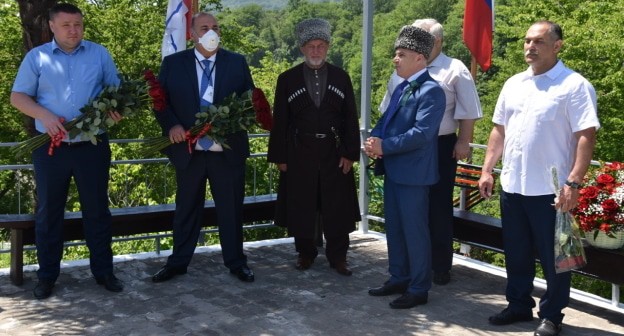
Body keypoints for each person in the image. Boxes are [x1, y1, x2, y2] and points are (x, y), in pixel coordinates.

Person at [478, 21, 599, 336]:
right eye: (527, 41)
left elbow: (586, 136)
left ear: (557, 46)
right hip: (514, 185)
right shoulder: (514, 83)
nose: (530, 47)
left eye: (539, 42)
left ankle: (552, 315)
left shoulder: (574, 86)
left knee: (554, 258)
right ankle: (518, 304)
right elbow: (499, 130)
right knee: (516, 252)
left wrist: (573, 183)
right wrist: (488, 169)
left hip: (552, 192)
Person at [10, 3, 124, 299]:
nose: (73, 30)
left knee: (97, 210)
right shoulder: (37, 57)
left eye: (78, 24)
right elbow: (18, 96)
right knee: (49, 213)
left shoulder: (99, 53)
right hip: (51, 147)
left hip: (92, 146)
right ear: (52, 27)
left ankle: (104, 272)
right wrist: (44, 116)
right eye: (66, 25)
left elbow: (116, 92)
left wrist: (116, 109)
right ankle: (47, 276)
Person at [151, 12, 255, 283]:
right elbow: (161, 103)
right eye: (204, 27)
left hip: (227, 153)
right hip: (189, 153)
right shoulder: (173, 64)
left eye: (215, 27)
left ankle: (236, 262)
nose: (211, 32)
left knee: (231, 211)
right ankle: (178, 263)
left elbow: (250, 102)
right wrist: (172, 125)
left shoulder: (237, 62)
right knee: (186, 210)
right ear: (193, 34)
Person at [381, 18, 483, 285]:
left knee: (437, 207)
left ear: (435, 42)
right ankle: (409, 270)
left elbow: (469, 111)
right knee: (406, 212)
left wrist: (464, 142)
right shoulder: (402, 71)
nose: (398, 57)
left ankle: (439, 266)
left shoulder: (454, 69)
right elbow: (388, 108)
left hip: (440, 145)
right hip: (401, 148)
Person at [267, 18, 361, 276]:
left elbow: (351, 118)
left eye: (321, 45)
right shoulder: (287, 79)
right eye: (311, 46)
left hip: (334, 152)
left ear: (328, 47)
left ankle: (339, 257)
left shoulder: (342, 78)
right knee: (302, 204)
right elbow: (281, 121)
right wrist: (281, 156)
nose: (316, 51)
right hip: (299, 152)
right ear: (302, 48)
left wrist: (350, 153)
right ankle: (305, 253)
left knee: (337, 206)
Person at [365, 26, 445, 309]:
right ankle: (399, 277)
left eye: (402, 54)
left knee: (415, 232)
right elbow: (385, 121)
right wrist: (373, 139)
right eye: (396, 54)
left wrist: (384, 147)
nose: (395, 59)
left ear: (420, 59)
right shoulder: (401, 87)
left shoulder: (432, 91)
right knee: (396, 230)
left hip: (413, 175)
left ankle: (419, 288)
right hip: (395, 171)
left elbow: (422, 134)